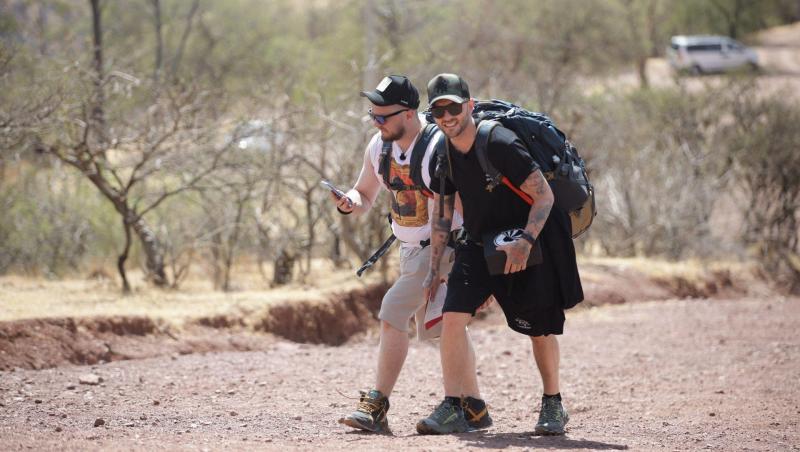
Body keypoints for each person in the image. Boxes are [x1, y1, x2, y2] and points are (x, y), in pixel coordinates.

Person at [417, 73, 584, 435]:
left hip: (528, 240)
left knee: (539, 328)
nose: (447, 117)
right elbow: (443, 215)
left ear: (470, 106)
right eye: (438, 111)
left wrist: (524, 241)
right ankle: (454, 405)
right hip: (479, 243)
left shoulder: (499, 142)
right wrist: (433, 270)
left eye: (454, 107)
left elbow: (544, 197)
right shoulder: (444, 150)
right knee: (452, 317)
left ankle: (553, 403)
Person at [331, 75, 492, 433]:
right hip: (411, 250)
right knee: (443, 328)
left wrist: (437, 269)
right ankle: (475, 406)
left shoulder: (436, 148)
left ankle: (377, 404)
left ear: (407, 114)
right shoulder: (380, 146)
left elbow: (444, 217)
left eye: (383, 116)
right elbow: (365, 193)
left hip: (442, 249)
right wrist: (348, 202)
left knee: (392, 313)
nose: (376, 122)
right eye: (372, 115)